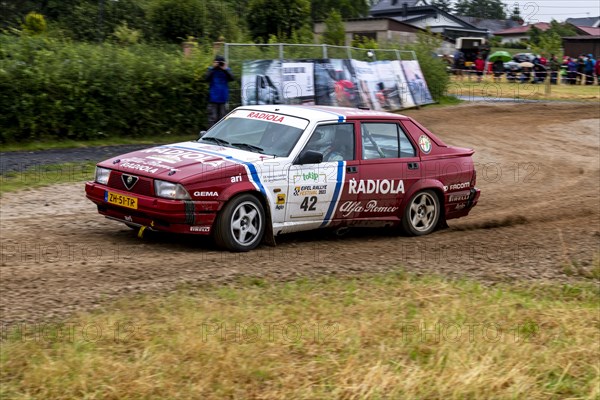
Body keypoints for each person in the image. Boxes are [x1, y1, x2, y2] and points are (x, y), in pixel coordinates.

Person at [205, 55, 234, 128]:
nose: (219, 64)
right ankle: (211, 134)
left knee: (223, 118)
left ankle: (221, 134)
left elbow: (232, 78)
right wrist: (214, 68)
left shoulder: (226, 70)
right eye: (217, 62)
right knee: (212, 118)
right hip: (213, 98)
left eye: (220, 63)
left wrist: (224, 69)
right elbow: (206, 78)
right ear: (214, 62)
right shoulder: (211, 70)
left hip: (223, 99)